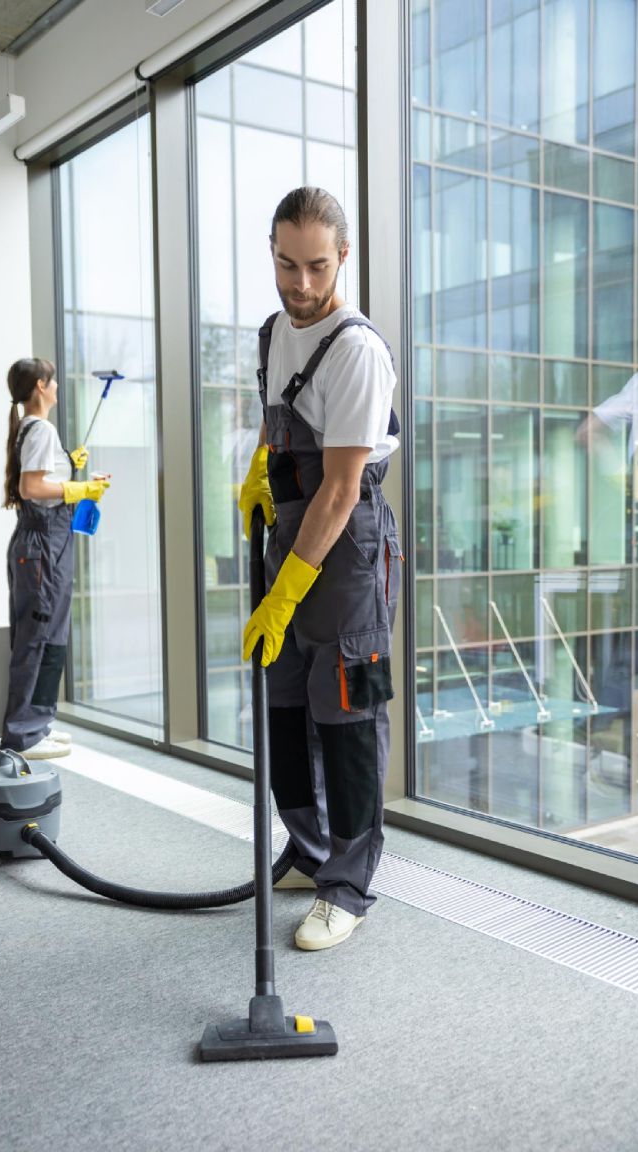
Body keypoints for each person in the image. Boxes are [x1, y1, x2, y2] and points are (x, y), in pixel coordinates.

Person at [238, 187, 401, 951]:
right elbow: (279, 428)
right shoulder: (274, 332)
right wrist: (258, 472)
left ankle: (349, 884)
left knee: (349, 714)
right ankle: (307, 851)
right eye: (285, 264)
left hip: (349, 551)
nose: (299, 284)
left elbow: (339, 489)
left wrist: (283, 596)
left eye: (316, 267)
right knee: (285, 703)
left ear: (343, 257)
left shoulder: (357, 350)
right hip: (290, 537)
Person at [1, 358, 110, 760]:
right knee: (37, 638)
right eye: (53, 381)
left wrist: (69, 467)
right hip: (43, 545)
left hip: (45, 545)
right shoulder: (41, 428)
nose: (58, 386)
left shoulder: (30, 428)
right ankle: (23, 735)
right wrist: (77, 490)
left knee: (51, 637)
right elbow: (31, 488)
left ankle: (38, 723)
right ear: (40, 386)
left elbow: (39, 480)